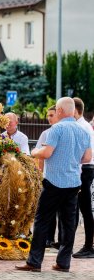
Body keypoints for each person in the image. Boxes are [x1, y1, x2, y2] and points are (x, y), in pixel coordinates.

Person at [16, 97, 92, 273]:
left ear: (59, 111)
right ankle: (63, 263)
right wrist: (72, 160)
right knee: (68, 224)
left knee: (42, 221)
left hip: (54, 181)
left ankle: (34, 262)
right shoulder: (84, 131)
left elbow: (47, 153)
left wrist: (35, 151)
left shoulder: (56, 129)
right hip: (74, 182)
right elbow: (87, 158)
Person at [33, 105, 61, 248]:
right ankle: (48, 238)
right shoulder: (45, 133)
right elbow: (40, 157)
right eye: (48, 115)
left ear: (59, 114)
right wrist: (39, 173)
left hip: (61, 176)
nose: (49, 118)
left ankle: (59, 240)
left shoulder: (61, 131)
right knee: (47, 210)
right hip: (47, 175)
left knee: (60, 211)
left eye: (52, 115)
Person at [72, 97, 94, 258]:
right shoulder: (81, 125)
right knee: (77, 209)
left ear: (74, 110)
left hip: (84, 170)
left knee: (85, 209)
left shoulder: (83, 127)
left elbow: (85, 154)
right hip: (82, 169)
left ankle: (88, 246)